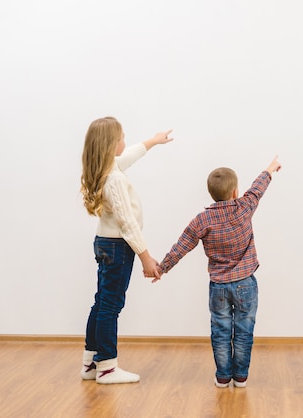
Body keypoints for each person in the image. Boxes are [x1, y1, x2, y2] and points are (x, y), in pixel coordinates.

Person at [153, 156, 281, 388]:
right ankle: (240, 376)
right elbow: (257, 189)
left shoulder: (203, 220)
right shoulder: (244, 207)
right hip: (245, 283)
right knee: (244, 330)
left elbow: (181, 246)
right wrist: (270, 169)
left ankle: (223, 376)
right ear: (235, 192)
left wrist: (162, 267)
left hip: (219, 286)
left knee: (220, 331)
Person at [79, 116, 173, 384]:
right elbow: (127, 224)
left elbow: (129, 155)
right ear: (110, 144)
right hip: (118, 246)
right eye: (121, 137)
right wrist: (146, 257)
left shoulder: (105, 169)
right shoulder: (113, 179)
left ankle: (91, 364)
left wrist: (153, 141)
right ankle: (107, 368)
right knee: (110, 306)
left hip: (105, 243)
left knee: (102, 303)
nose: (125, 140)